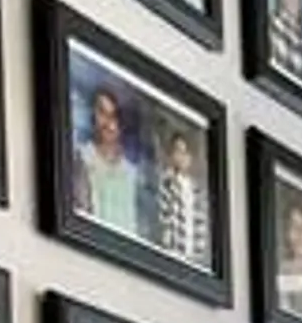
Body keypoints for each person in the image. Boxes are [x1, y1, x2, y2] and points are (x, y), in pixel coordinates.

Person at [76, 86, 145, 237]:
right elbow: (81, 210)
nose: (108, 123)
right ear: (92, 115)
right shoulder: (83, 156)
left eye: (112, 115)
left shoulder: (130, 170)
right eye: (102, 112)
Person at [153, 125, 207, 267]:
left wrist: (198, 256)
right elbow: (164, 217)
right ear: (171, 155)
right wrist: (167, 248)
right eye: (177, 151)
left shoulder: (196, 189)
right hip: (173, 252)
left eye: (185, 152)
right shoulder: (167, 181)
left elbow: (200, 223)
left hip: (192, 256)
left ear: (191, 157)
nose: (181, 157)